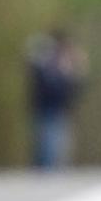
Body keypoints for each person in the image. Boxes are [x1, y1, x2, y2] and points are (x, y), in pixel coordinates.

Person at [26, 29, 87, 168]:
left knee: (58, 150)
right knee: (47, 149)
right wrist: (65, 73)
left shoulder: (63, 65)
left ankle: (51, 176)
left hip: (61, 111)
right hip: (47, 110)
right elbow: (48, 87)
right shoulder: (45, 61)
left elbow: (75, 91)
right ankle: (44, 176)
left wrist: (77, 72)